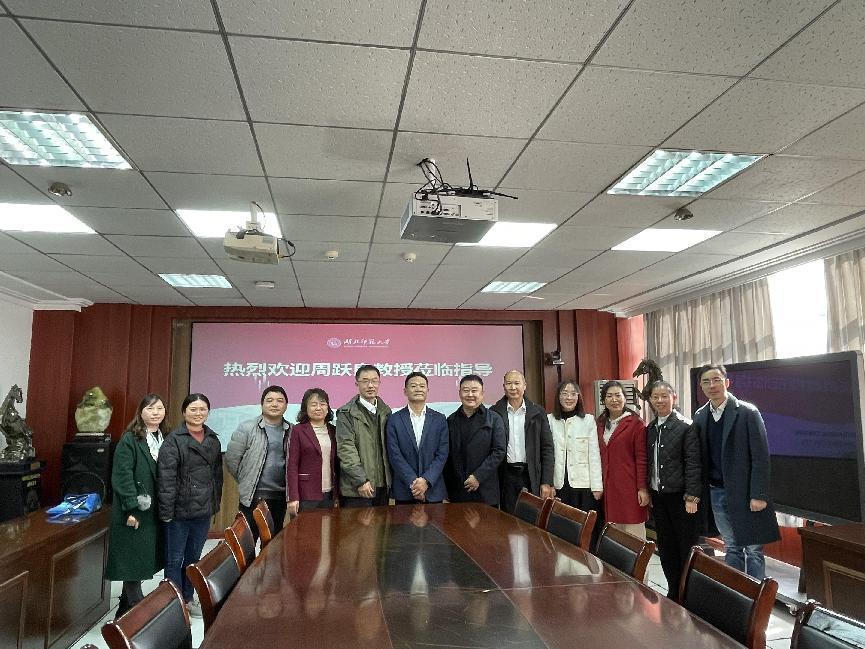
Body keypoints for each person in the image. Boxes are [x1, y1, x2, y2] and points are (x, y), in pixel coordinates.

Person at [693, 364, 780, 579]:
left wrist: (759, 494)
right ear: (701, 387)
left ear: (727, 382)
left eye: (716, 380)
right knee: (731, 545)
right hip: (716, 492)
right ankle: (736, 591)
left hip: (745, 493)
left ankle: (756, 594)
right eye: (706, 382)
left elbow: (760, 457)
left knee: (753, 549)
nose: (712, 385)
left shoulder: (747, 412)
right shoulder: (700, 416)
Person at [157, 393, 223, 617]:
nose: (198, 413)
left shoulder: (212, 439)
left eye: (202, 409)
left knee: (193, 558)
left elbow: (217, 477)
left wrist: (214, 503)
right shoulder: (173, 440)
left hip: (202, 510)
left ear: (208, 412)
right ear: (184, 412)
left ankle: (188, 597)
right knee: (174, 559)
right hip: (178, 511)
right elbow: (166, 479)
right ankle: (173, 604)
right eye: (193, 409)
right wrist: (166, 512)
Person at [105, 393, 168, 618]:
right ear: (141, 412)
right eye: (150, 408)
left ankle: (124, 607)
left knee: (141, 557)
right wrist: (131, 508)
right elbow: (122, 477)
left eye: (159, 408)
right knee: (132, 558)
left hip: (154, 510)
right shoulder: (130, 439)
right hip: (134, 509)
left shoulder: (164, 438)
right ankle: (138, 611)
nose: (155, 413)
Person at [646, 380, 702, 601]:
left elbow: (693, 463)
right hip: (659, 497)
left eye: (664, 396)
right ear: (650, 400)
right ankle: (673, 591)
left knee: (685, 547)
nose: (660, 400)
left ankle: (688, 595)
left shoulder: (686, 426)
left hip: (682, 498)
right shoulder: (650, 428)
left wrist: (692, 496)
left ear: (674, 398)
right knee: (666, 546)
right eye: (655, 397)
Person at [225, 385, 291, 540]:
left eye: (279, 401)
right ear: (262, 404)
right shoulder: (247, 427)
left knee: (273, 541)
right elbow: (232, 459)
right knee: (247, 540)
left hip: (280, 495)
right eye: (270, 400)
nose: (274, 404)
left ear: (286, 405)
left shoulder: (291, 430)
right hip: (253, 495)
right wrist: (246, 480)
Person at [492, 369, 555, 513]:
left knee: (530, 517)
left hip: (530, 474)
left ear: (524, 386)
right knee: (507, 518)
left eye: (517, 383)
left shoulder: (538, 412)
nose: (513, 387)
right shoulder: (495, 412)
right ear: (503, 387)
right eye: (509, 383)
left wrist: (546, 481)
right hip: (505, 475)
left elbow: (547, 448)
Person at [385, 372, 449, 504]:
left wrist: (426, 481)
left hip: (433, 489)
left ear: (427, 390)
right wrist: (413, 483)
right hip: (405, 490)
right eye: (413, 386)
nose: (418, 389)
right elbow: (394, 454)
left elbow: (442, 454)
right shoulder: (394, 419)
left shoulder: (440, 419)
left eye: (422, 386)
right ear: (405, 391)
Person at [596, 380, 649, 539]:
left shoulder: (636, 424)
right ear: (603, 400)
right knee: (614, 537)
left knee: (634, 537)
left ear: (625, 398)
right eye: (609, 396)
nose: (614, 400)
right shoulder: (599, 424)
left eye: (618, 395)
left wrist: (642, 488)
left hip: (630, 487)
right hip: (608, 488)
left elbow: (642, 458)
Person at [443, 374, 506, 507]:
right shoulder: (451, 420)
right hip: (458, 491)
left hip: (485, 490)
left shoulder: (494, 419)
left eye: (474, 390)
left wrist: (478, 476)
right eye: (466, 390)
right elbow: (447, 457)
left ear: (482, 394)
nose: (470, 394)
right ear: (460, 394)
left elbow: (499, 451)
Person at [336, 364, 392, 507]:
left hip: (382, 486)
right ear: (357, 384)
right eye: (365, 381)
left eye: (374, 381)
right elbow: (346, 449)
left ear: (379, 383)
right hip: (357, 488)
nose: (370, 385)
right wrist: (360, 480)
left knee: (383, 522)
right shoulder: (346, 413)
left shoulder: (386, 412)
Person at [547, 379, 603, 512]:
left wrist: (597, 486)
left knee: (584, 522)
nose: (569, 397)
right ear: (558, 396)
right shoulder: (549, 420)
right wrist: (549, 484)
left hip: (584, 484)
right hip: (559, 484)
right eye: (564, 393)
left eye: (573, 393)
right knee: (560, 522)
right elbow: (546, 455)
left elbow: (594, 455)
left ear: (579, 397)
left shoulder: (588, 420)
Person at [287, 388, 338, 514]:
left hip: (330, 493)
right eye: (313, 404)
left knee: (328, 527)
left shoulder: (334, 430)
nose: (318, 408)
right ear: (306, 408)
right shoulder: (297, 430)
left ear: (328, 407)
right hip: (306, 494)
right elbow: (292, 465)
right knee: (307, 527)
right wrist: (293, 497)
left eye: (322, 404)